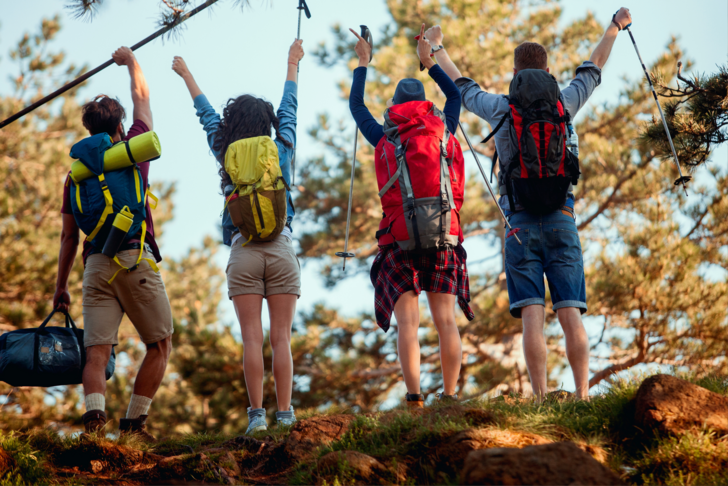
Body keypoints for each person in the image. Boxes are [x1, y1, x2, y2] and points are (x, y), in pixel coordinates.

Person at [425, 8, 633, 400]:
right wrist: (614, 27)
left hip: (518, 223)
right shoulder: (564, 103)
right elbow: (594, 67)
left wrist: (437, 47)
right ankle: (583, 396)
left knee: (532, 319)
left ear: (515, 72)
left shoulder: (502, 107)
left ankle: (539, 397)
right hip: (562, 217)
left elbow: (463, 87)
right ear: (547, 70)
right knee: (571, 314)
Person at [172, 38, 304, 434]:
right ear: (267, 124)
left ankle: (257, 418)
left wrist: (186, 75)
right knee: (281, 339)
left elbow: (206, 116)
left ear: (233, 125)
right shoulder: (281, 147)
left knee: (251, 339)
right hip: (280, 248)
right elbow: (290, 108)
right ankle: (285, 416)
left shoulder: (224, 147)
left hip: (242, 250)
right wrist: (292, 62)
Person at [349, 24, 474, 409]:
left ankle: (415, 399)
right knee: (445, 320)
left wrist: (363, 63)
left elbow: (357, 108)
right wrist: (428, 60)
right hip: (443, 234)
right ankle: (449, 396)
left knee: (408, 323)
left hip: (398, 239)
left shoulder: (385, 137)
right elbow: (455, 94)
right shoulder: (444, 128)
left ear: (394, 105)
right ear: (425, 103)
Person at [53, 47, 173, 440]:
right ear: (120, 125)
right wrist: (132, 61)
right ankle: (133, 428)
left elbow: (69, 236)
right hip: (134, 258)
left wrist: (60, 288)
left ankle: (93, 429)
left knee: (96, 352)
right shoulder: (133, 151)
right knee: (160, 344)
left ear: (89, 130)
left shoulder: (77, 175)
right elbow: (143, 99)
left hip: (95, 267)